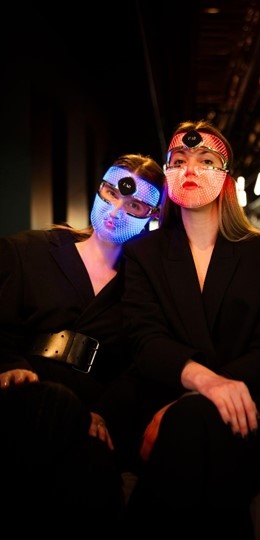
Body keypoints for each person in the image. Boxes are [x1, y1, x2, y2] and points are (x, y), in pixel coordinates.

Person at [120, 120, 260, 539]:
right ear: (167, 175)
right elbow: (146, 342)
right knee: (195, 426)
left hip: (253, 399)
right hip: (169, 395)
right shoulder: (143, 254)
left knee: (191, 421)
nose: (190, 169)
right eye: (179, 160)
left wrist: (200, 394)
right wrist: (204, 383)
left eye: (205, 160)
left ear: (226, 180)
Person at [0, 153, 165, 529]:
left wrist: (104, 413)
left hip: (92, 417)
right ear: (99, 188)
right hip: (24, 398)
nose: (115, 211)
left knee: (89, 473)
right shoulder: (29, 252)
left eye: (134, 205)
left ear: (151, 215)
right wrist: (9, 365)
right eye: (111, 193)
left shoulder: (142, 288)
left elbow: (140, 364)